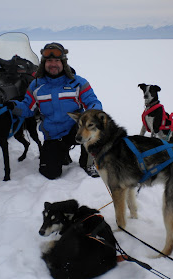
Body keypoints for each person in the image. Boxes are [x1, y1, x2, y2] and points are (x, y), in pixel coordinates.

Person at [7, 42, 103, 180]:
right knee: (50, 173)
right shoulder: (36, 85)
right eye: (49, 61)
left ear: (63, 62)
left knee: (92, 129)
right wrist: (13, 106)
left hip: (75, 130)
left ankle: (88, 162)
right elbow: (28, 109)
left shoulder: (77, 82)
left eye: (57, 60)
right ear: (43, 63)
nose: (53, 64)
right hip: (53, 135)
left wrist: (93, 113)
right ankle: (62, 154)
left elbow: (92, 101)